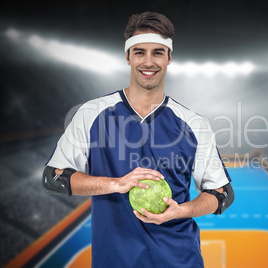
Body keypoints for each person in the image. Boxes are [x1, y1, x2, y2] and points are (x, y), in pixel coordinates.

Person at [42, 11, 234, 267]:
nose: (148, 61)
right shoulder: (91, 114)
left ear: (169, 58)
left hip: (179, 260)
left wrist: (181, 211)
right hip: (114, 260)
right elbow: (54, 178)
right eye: (140, 52)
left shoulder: (193, 124)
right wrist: (116, 184)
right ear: (128, 57)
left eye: (157, 52)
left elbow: (222, 194)